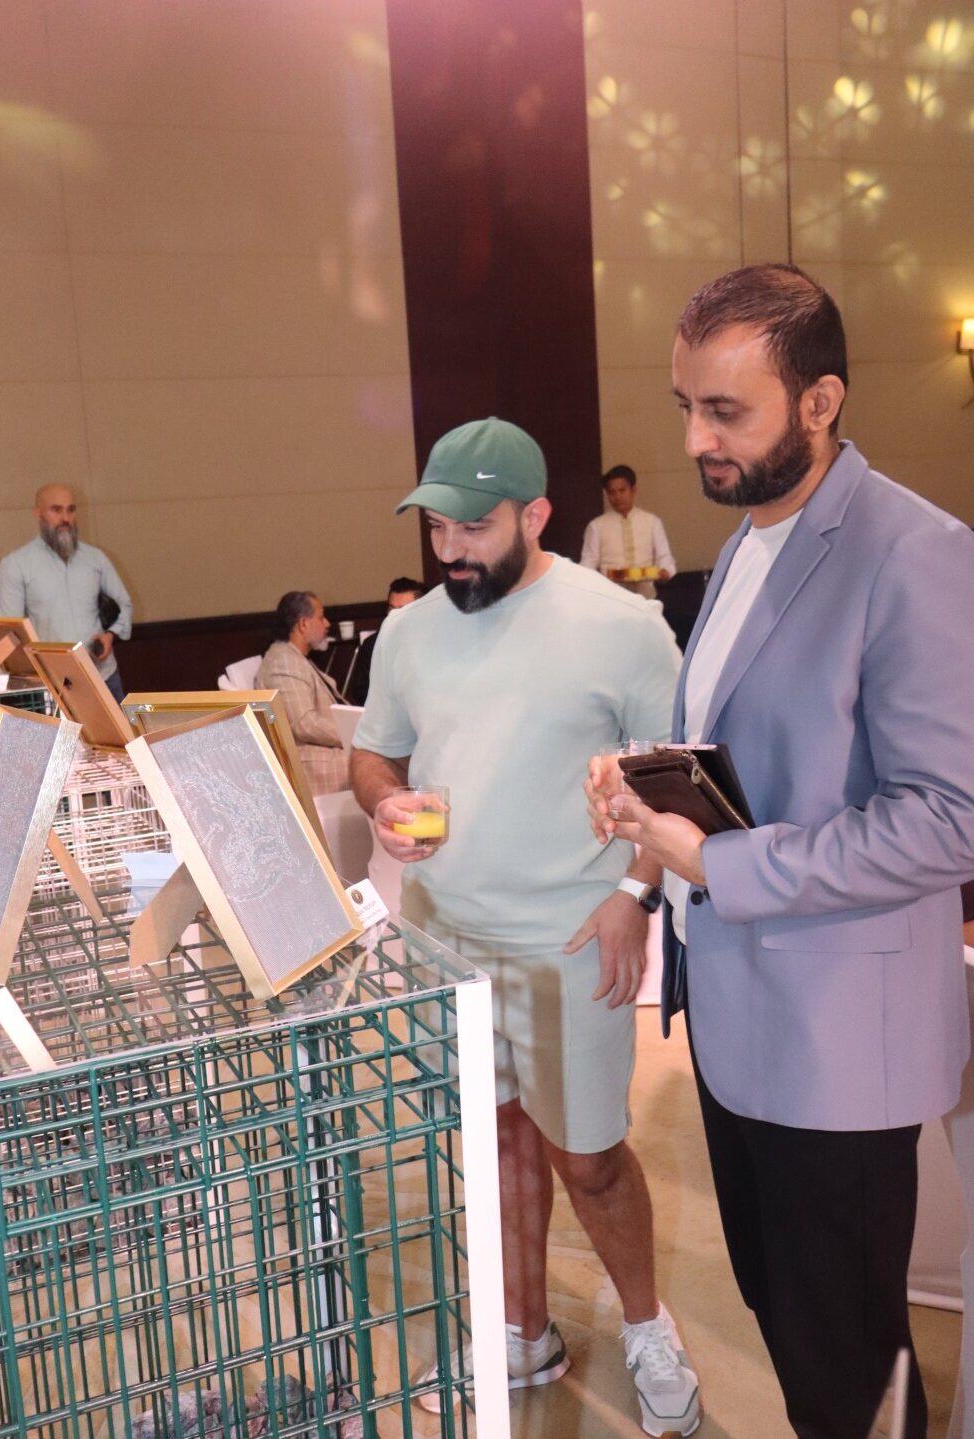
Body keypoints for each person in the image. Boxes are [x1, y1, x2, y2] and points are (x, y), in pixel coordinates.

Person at [586, 263, 974, 1439]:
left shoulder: (913, 551)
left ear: (821, 400)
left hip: (839, 1041)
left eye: (725, 411)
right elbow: (738, 758)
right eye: (685, 406)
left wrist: (718, 866)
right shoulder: (750, 540)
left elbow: (947, 815)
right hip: (738, 1019)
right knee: (793, 1322)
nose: (694, 440)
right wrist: (643, 838)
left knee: (849, 1365)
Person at [350, 418, 699, 1435]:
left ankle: (648, 1327)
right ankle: (521, 1328)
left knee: (589, 1156)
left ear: (537, 514)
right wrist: (382, 799)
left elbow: (672, 780)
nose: (451, 549)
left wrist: (634, 895)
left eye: (475, 526)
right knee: (495, 1137)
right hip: (445, 936)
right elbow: (375, 752)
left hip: (571, 939)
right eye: (437, 528)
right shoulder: (410, 632)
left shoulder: (622, 626)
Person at [0, 484, 132, 702]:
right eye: (56, 510)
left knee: (122, 727)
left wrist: (110, 635)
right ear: (38, 513)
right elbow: (9, 634)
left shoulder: (95, 558)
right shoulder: (16, 564)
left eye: (71, 510)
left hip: (103, 676)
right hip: (53, 685)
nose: (65, 518)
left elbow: (124, 604)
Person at [258, 591, 348, 796]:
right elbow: (303, 723)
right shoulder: (284, 661)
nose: (327, 623)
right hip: (314, 765)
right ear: (303, 624)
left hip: (323, 754)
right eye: (321, 617)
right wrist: (354, 734)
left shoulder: (294, 658)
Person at [580, 464, 676, 599]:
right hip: (610, 599)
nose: (617, 497)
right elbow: (588, 564)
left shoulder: (652, 522)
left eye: (622, 490)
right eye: (612, 492)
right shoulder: (596, 526)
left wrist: (665, 572)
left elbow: (664, 557)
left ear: (633, 490)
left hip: (646, 599)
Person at [347, 576, 426, 705]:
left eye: (402, 610)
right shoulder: (372, 645)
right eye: (391, 609)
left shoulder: (433, 642)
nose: (394, 616)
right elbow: (361, 690)